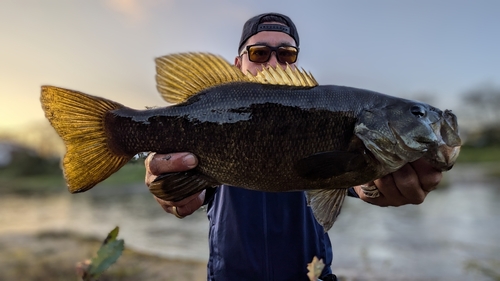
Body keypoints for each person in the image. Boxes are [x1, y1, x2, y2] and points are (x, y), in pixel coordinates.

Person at [144, 12, 442, 281]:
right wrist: (164, 180)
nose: (273, 63)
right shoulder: (210, 112)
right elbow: (179, 185)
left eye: (286, 54)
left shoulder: (329, 118)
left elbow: (362, 185)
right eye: (259, 53)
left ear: (296, 63)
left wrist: (383, 185)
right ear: (238, 63)